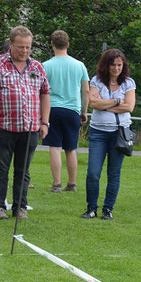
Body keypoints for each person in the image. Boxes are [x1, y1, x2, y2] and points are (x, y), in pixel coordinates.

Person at [0, 26, 50, 220]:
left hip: (30, 128)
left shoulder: (37, 67)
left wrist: (45, 122)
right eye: (20, 47)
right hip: (4, 127)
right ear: (10, 44)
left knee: (23, 171)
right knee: (1, 169)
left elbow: (45, 94)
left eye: (28, 47)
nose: (24, 51)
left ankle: (20, 207)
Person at [82, 49, 135, 220]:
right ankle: (91, 207)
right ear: (106, 65)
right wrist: (116, 101)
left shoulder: (128, 83)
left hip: (119, 133)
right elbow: (93, 103)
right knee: (93, 172)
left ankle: (107, 209)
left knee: (114, 173)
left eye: (119, 65)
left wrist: (104, 104)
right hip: (98, 132)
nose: (116, 68)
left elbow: (129, 107)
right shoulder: (97, 81)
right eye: (113, 64)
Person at [41, 30, 89, 193]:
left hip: (52, 109)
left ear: (52, 44)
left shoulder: (45, 65)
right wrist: (84, 111)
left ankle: (56, 184)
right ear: (68, 44)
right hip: (72, 110)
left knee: (54, 147)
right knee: (71, 148)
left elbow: (41, 91)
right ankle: (72, 183)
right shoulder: (79, 65)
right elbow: (85, 91)